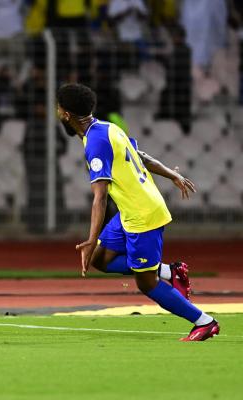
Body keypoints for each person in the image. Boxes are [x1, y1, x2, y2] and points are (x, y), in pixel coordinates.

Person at [56, 83, 219, 342]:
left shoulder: (95, 143)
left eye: (59, 107)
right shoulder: (108, 128)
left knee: (146, 283)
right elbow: (140, 155)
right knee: (100, 260)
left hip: (142, 216)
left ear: (65, 114)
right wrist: (172, 174)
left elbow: (99, 197)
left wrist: (90, 238)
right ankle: (169, 272)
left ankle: (204, 322)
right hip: (129, 212)